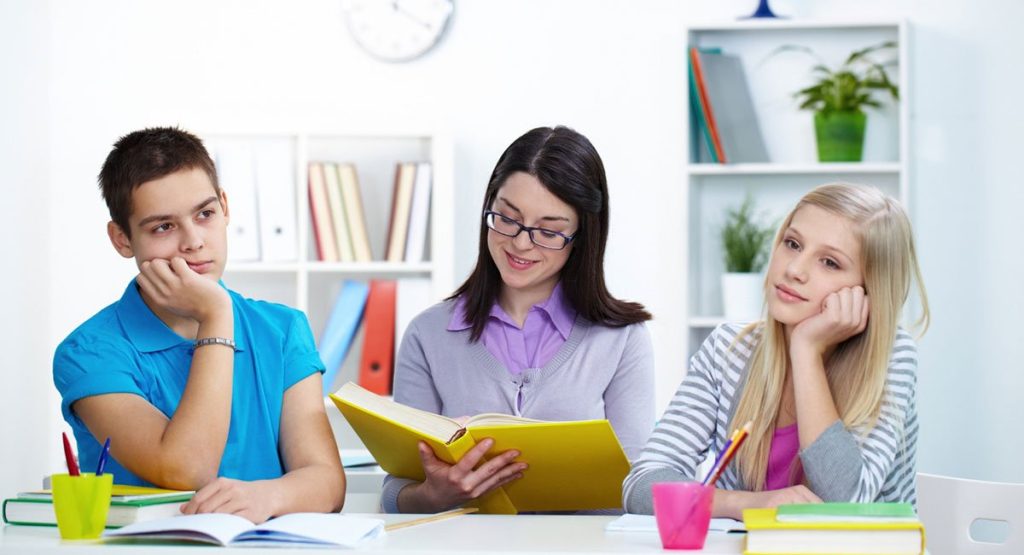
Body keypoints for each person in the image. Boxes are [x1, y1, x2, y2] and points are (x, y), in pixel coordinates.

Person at [53, 127, 345, 523]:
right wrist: (216, 316)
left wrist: (268, 497)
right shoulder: (88, 352)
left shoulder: (283, 330)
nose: (193, 241)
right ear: (122, 239)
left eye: (204, 214)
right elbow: (187, 470)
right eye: (163, 227)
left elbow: (327, 482)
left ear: (224, 207)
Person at [383, 126, 655, 513]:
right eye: (507, 218)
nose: (521, 243)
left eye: (548, 231)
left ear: (582, 237)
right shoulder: (427, 335)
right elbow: (396, 491)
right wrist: (433, 495)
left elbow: (636, 487)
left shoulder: (622, 339)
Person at [623, 183, 930, 518]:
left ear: (869, 291)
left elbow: (846, 505)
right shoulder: (729, 350)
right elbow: (641, 485)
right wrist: (748, 504)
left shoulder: (890, 357)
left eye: (829, 262)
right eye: (792, 243)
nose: (794, 270)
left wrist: (806, 350)